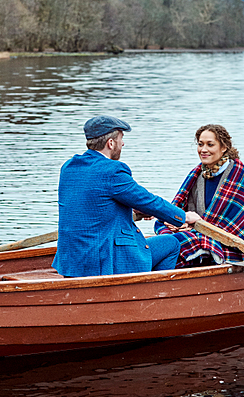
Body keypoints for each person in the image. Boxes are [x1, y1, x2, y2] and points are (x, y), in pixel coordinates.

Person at [52, 115, 201, 277]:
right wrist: (184, 216)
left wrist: (136, 210)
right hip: (102, 261)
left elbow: (95, 203)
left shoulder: (68, 168)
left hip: (72, 262)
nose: (122, 144)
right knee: (171, 243)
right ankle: (150, 293)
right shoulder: (112, 170)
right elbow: (149, 201)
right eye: (121, 139)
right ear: (111, 143)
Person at [155, 124, 244, 267]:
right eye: (200, 144)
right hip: (198, 233)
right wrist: (178, 222)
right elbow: (181, 209)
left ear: (224, 147)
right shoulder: (197, 175)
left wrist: (193, 227)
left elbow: (239, 227)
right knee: (166, 233)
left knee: (175, 242)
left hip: (232, 246)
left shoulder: (241, 177)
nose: (204, 150)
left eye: (210, 145)